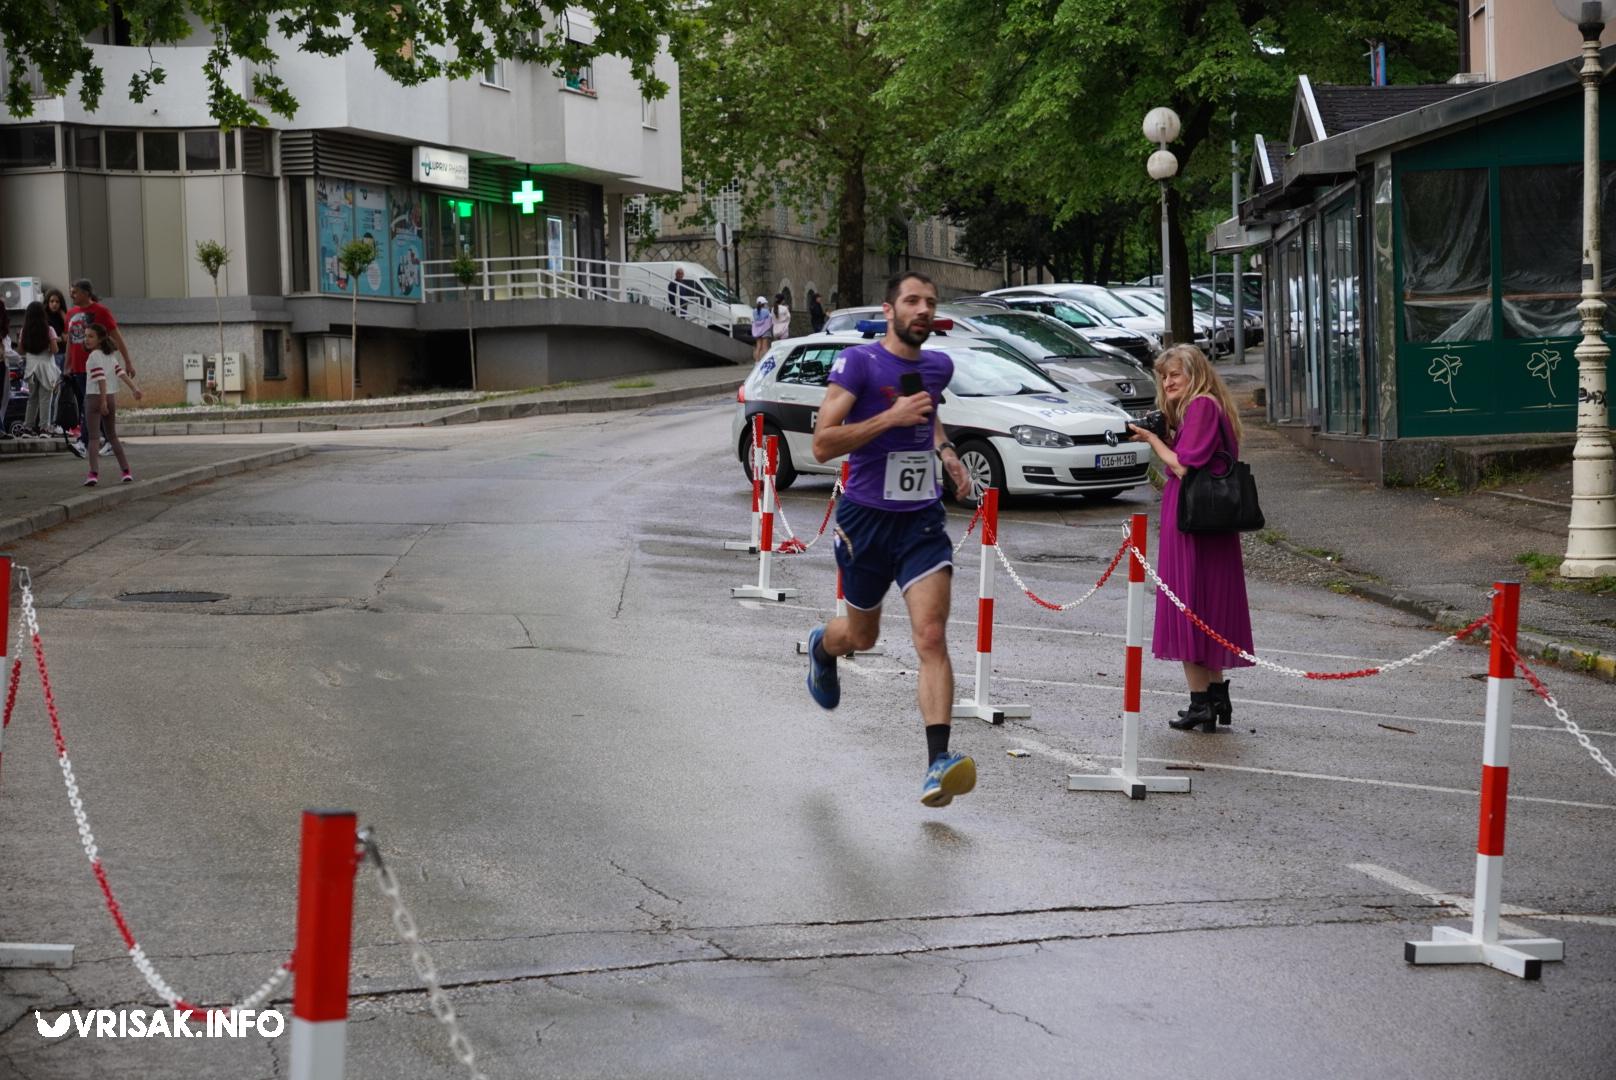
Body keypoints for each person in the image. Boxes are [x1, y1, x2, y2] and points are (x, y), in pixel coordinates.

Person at [804, 271, 976, 808]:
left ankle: (937, 763)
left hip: (921, 521)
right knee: (862, 637)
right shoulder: (858, 363)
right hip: (865, 522)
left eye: (930, 302)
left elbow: (930, 415)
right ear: (889, 310)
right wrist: (889, 417)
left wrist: (946, 453)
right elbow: (822, 445)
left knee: (931, 635)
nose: (923, 309)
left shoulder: (938, 366)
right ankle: (823, 646)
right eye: (912, 301)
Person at [1126, 343, 1254, 732]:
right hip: (1211, 522)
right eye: (1164, 377)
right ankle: (1215, 697)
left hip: (1193, 520)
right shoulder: (1210, 405)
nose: (1167, 383)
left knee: (1188, 603)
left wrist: (1152, 440)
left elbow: (1183, 466)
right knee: (1208, 605)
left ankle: (1201, 703)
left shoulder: (1200, 406)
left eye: (1175, 375)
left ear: (1194, 374)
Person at [66, 278, 134, 455]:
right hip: (78, 368)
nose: (71, 295)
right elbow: (70, 342)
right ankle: (109, 440)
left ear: (86, 293)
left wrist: (127, 361)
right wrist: (67, 365)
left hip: (98, 367)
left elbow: (117, 336)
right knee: (89, 405)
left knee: (88, 405)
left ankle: (83, 442)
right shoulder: (70, 314)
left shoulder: (101, 311)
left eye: (75, 292)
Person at [81, 323, 140, 486]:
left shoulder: (93, 356)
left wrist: (102, 401)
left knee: (93, 438)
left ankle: (93, 474)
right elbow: (121, 373)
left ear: (100, 339)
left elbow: (101, 379)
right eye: (85, 336)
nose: (86, 339)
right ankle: (126, 471)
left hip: (95, 398)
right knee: (112, 436)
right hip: (111, 397)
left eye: (91, 336)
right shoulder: (110, 356)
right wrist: (134, 389)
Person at [18, 301, 60, 436]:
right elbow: (55, 350)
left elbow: (21, 351)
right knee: (45, 399)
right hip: (46, 368)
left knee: (32, 398)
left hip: (31, 369)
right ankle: (44, 428)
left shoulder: (24, 331)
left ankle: (28, 427)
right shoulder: (49, 330)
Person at [44, 287, 68, 434]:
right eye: (52, 301)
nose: (54, 304)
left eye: (57, 302)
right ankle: (50, 422)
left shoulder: (62, 316)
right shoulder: (45, 318)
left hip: (64, 354)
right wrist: (59, 338)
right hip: (52, 356)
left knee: (61, 390)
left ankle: (58, 422)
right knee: (53, 390)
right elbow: (49, 338)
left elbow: (69, 331)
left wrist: (64, 316)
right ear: (47, 302)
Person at [751, 296, 773, 361]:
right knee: (764, 347)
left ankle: (757, 361)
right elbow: (770, 317)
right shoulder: (766, 311)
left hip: (757, 331)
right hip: (765, 330)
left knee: (758, 346)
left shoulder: (754, 311)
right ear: (764, 304)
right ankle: (766, 361)